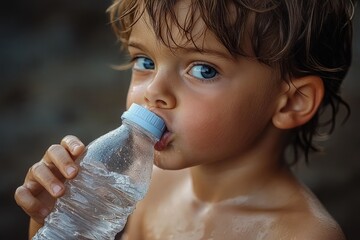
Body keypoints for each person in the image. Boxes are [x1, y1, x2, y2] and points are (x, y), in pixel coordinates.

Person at [15, 0, 355, 239]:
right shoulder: (146, 187)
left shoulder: (302, 234)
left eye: (203, 70)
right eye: (145, 62)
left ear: (291, 102)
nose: (153, 91)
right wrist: (53, 223)